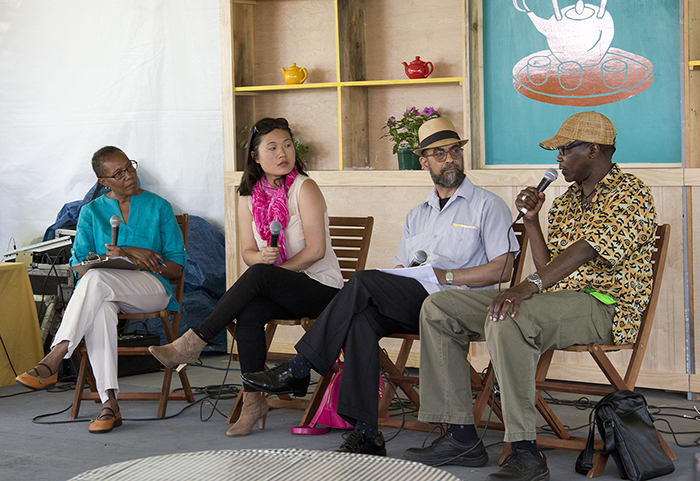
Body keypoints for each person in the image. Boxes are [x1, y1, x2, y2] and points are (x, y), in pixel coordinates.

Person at [242, 117, 519, 457]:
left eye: (455, 151)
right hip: (418, 301)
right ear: (424, 162)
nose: (450, 159)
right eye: (439, 153)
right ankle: (366, 432)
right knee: (362, 319)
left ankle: (301, 365)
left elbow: (502, 270)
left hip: (458, 305)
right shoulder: (417, 215)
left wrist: (448, 276)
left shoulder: (488, 205)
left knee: (361, 281)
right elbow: (403, 269)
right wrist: (402, 276)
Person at [404, 111, 658, 481]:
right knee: (440, 307)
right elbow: (548, 266)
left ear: (593, 149)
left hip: (606, 306)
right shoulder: (568, 201)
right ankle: (460, 435)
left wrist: (529, 285)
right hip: (556, 302)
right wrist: (532, 221)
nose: (558, 159)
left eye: (565, 150)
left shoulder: (630, 192)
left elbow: (583, 252)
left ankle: (525, 450)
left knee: (514, 314)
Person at [149, 117, 344, 437]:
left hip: (321, 288)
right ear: (255, 156)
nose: (283, 153)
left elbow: (316, 251)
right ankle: (254, 402)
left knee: (258, 278)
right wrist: (262, 261)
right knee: (250, 312)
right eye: (272, 147)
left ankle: (194, 340)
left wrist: (270, 272)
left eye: (287, 144)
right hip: (281, 286)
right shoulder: (248, 195)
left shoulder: (304, 188)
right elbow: (248, 253)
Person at [15, 146, 187, 434]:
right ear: (103, 182)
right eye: (118, 174)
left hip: (151, 289)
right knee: (100, 306)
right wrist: (119, 256)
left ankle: (57, 354)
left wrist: (134, 256)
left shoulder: (159, 207)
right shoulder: (90, 213)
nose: (129, 176)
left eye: (129, 167)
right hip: (105, 292)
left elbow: (177, 268)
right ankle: (110, 404)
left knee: (95, 283)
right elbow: (78, 265)